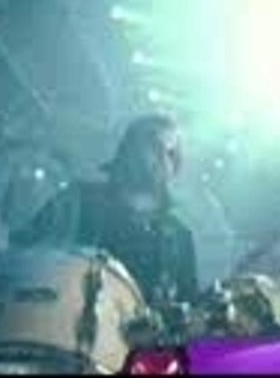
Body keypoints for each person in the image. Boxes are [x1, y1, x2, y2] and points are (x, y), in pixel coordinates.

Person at [10, 114, 199, 308]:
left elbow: (189, 311)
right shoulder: (78, 201)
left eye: (171, 153)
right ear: (130, 149)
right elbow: (20, 255)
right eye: (155, 146)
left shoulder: (179, 238)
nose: (163, 157)